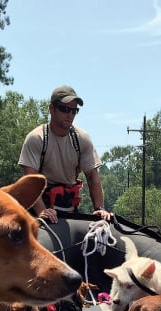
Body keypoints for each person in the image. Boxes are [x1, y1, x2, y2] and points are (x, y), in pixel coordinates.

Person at [18, 86, 112, 223]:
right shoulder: (37, 138)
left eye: (74, 111)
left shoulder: (82, 139)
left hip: (70, 210)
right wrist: (42, 211)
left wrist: (100, 208)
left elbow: (92, 178)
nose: (70, 115)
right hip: (38, 209)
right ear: (51, 109)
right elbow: (29, 181)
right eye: (65, 109)